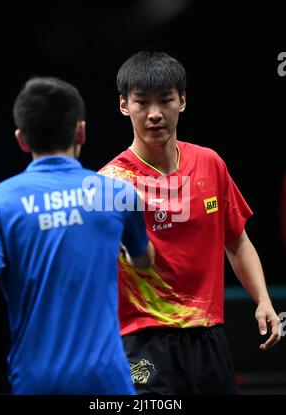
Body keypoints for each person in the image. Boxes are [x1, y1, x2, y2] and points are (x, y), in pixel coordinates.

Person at [99, 51, 281, 394]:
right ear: (124, 106)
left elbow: (237, 241)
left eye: (165, 100)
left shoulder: (209, 163)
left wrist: (263, 300)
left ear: (182, 101)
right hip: (142, 339)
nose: (155, 114)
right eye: (142, 103)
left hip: (209, 337)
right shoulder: (111, 182)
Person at [0, 77, 154, 395]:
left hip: (36, 381)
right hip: (106, 381)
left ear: (22, 139)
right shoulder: (119, 194)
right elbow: (144, 260)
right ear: (81, 131)